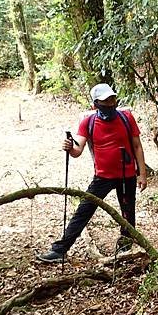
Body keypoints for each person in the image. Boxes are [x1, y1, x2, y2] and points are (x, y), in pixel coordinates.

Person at [37, 83, 148, 263]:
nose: (111, 103)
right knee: (84, 210)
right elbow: (77, 150)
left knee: (128, 212)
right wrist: (69, 147)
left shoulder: (126, 117)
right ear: (95, 104)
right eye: (105, 101)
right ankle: (60, 250)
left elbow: (137, 146)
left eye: (112, 99)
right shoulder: (88, 122)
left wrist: (142, 174)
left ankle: (126, 248)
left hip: (127, 175)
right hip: (102, 176)